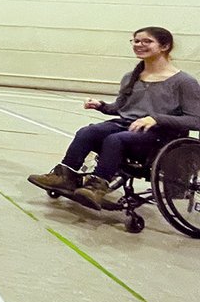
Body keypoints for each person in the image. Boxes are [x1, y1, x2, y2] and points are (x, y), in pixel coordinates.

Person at [28, 27, 200, 210]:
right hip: (128, 126)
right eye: (136, 41)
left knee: (115, 140)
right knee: (88, 132)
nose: (139, 45)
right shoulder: (131, 77)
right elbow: (120, 108)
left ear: (164, 46)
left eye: (147, 41)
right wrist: (101, 106)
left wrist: (156, 119)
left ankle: (97, 186)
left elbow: (195, 120)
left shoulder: (184, 82)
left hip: (159, 135)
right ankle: (64, 176)